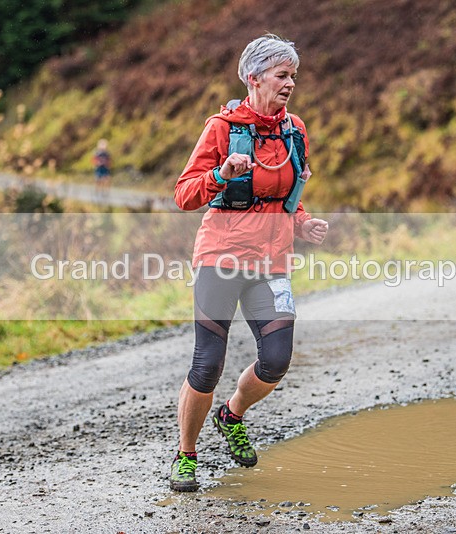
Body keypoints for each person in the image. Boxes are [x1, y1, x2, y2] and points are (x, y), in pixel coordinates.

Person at [171, 34, 328, 492]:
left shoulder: (294, 129)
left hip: (271, 262)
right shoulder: (221, 127)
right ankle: (186, 455)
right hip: (220, 256)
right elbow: (184, 194)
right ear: (253, 77)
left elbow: (287, 195)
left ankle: (231, 414)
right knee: (207, 364)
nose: (290, 84)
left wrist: (303, 223)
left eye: (293, 76)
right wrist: (221, 175)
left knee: (277, 359)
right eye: (282, 75)